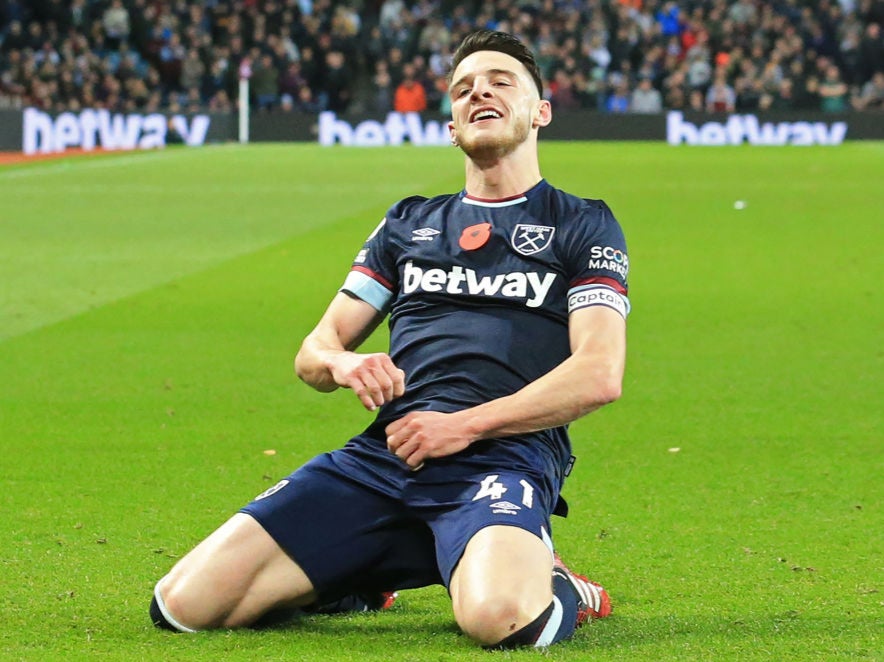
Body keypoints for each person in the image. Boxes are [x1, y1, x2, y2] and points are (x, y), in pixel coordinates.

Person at [150, 29, 629, 650]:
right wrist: (345, 364)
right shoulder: (409, 223)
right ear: (453, 127)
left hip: (504, 459)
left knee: (504, 620)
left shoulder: (582, 222)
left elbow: (599, 372)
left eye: (500, 81)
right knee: (184, 605)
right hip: (387, 458)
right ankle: (364, 574)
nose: (478, 90)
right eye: (462, 90)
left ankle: (561, 583)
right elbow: (314, 351)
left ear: (540, 112)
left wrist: (465, 426)